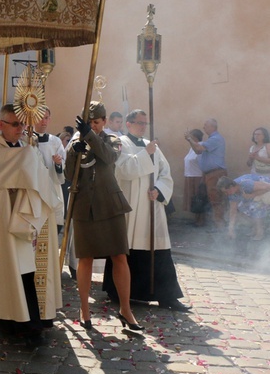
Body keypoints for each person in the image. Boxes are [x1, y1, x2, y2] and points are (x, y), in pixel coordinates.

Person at [0, 104, 63, 344]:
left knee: (26, 270)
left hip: (25, 218)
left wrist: (47, 206)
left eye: (23, 124)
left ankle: (32, 324)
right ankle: (6, 320)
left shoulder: (29, 150)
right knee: (2, 270)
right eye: (15, 124)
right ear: (0, 126)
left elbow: (43, 182)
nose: (21, 129)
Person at [102, 110, 190, 312]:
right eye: (139, 123)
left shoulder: (153, 146)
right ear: (128, 123)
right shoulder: (119, 143)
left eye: (145, 123)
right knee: (127, 250)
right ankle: (121, 293)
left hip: (152, 207)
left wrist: (159, 190)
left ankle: (167, 296)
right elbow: (122, 171)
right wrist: (145, 154)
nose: (143, 126)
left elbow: (165, 173)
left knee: (159, 249)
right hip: (131, 208)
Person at [65, 102, 141, 331]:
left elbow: (108, 158)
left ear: (104, 122)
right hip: (84, 206)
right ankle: (84, 309)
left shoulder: (113, 140)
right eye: (89, 124)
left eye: (96, 123)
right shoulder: (76, 143)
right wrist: (73, 153)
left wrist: (90, 137)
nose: (93, 126)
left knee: (119, 256)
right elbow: (70, 175)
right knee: (85, 258)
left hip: (110, 205)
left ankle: (125, 309)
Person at [185, 119, 226, 227]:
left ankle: (220, 226)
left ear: (212, 127)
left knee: (216, 199)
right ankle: (217, 225)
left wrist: (189, 138)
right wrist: (190, 140)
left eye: (205, 126)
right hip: (210, 174)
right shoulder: (211, 139)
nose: (204, 128)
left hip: (215, 173)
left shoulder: (216, 139)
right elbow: (197, 150)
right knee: (213, 199)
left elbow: (199, 148)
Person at [34, 108, 65, 237]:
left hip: (52, 187)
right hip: (35, 190)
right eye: (41, 117)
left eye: (46, 118)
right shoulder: (26, 140)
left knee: (52, 230)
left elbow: (63, 163)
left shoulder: (55, 141)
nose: (44, 121)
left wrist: (58, 163)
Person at [217, 175, 270, 241]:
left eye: (226, 191)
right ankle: (255, 227)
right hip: (255, 196)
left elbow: (268, 187)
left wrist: (251, 195)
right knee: (242, 207)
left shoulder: (245, 184)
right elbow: (233, 211)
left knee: (254, 206)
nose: (226, 194)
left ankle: (260, 231)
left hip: (266, 190)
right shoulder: (232, 194)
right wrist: (230, 229)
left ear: (231, 187)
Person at [183, 129, 206, 225]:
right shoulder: (191, 148)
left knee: (199, 198)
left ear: (195, 138)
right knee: (193, 199)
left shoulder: (200, 146)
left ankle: (201, 220)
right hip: (190, 176)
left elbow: (203, 162)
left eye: (191, 137)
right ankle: (196, 219)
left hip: (197, 176)